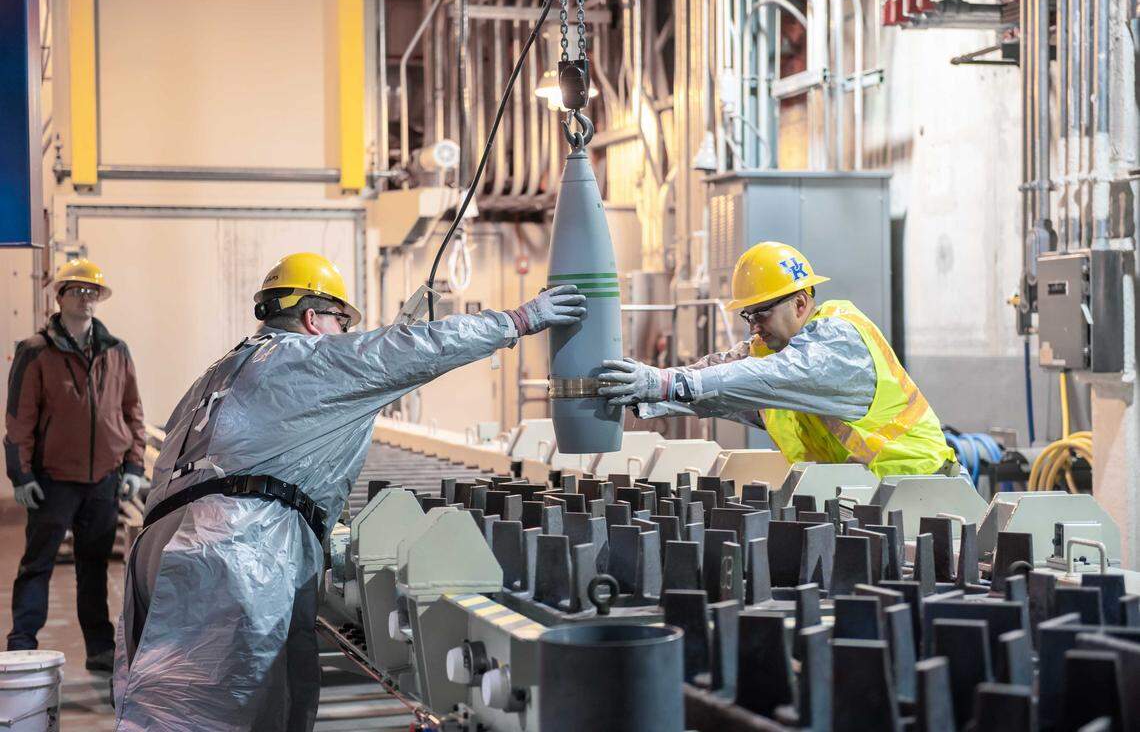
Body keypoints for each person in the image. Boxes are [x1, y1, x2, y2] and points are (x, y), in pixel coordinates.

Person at [112, 252, 586, 731]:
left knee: (185, 706)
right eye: (341, 320)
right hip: (232, 551)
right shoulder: (305, 357)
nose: (344, 332)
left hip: (162, 542)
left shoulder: (223, 369)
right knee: (213, 716)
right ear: (313, 318)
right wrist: (517, 321)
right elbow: (412, 348)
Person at [598, 242, 957, 478]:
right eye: (748, 316)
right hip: (862, 497)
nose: (753, 327)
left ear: (801, 303)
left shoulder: (839, 342)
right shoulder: (771, 352)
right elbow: (720, 380)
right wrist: (645, 390)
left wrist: (667, 384)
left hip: (924, 490)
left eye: (762, 314)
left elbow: (765, 376)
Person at [4, 258, 146, 672]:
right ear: (60, 295)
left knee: (94, 566)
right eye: (77, 291)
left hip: (103, 478)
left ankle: (100, 648)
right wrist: (22, 473)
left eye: (92, 292)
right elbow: (19, 418)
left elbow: (132, 409)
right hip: (53, 481)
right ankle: (21, 644)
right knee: (37, 564)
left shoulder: (116, 350)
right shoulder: (36, 351)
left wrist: (133, 467)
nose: (85, 298)